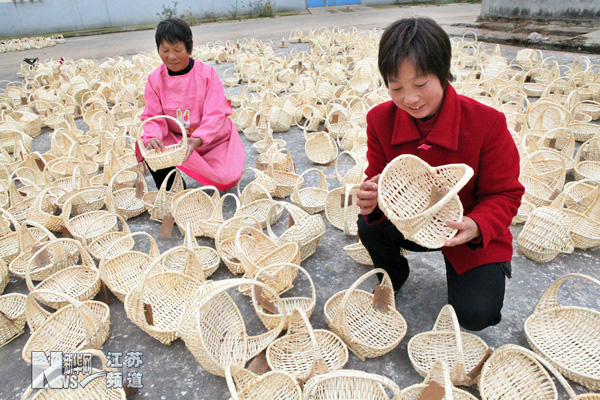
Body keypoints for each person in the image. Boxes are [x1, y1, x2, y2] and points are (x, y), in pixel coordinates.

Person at [356, 17, 524, 331]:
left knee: (476, 315)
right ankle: (394, 272)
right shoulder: (380, 120)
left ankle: (472, 270)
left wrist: (477, 225)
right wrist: (371, 195)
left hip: (466, 230)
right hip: (414, 221)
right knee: (368, 224)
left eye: (420, 84)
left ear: (444, 72)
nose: (410, 98)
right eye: (396, 87)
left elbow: (506, 194)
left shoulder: (487, 123)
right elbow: (378, 175)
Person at [135, 18, 245, 191]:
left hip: (210, 139)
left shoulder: (207, 74)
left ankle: (216, 164)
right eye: (165, 50)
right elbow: (153, 116)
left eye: (177, 50)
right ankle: (173, 188)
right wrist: (152, 136)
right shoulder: (155, 79)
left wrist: (196, 141)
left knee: (226, 179)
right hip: (177, 138)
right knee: (147, 142)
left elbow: (215, 114)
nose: (171, 56)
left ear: (190, 48)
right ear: (158, 50)